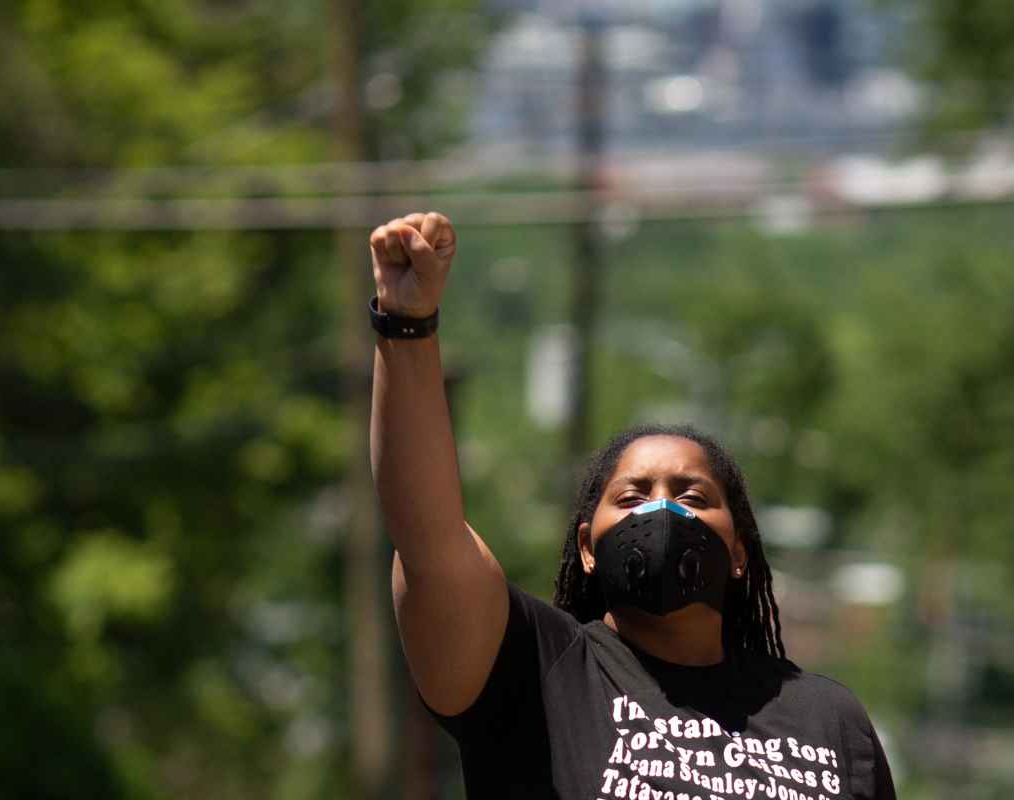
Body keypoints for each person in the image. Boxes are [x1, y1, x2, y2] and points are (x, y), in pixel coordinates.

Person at [368, 212, 896, 799]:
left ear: (740, 552)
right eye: (632, 496)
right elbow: (428, 537)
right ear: (588, 548)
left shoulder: (829, 719)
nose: (662, 513)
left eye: (692, 496)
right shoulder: (536, 673)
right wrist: (406, 325)